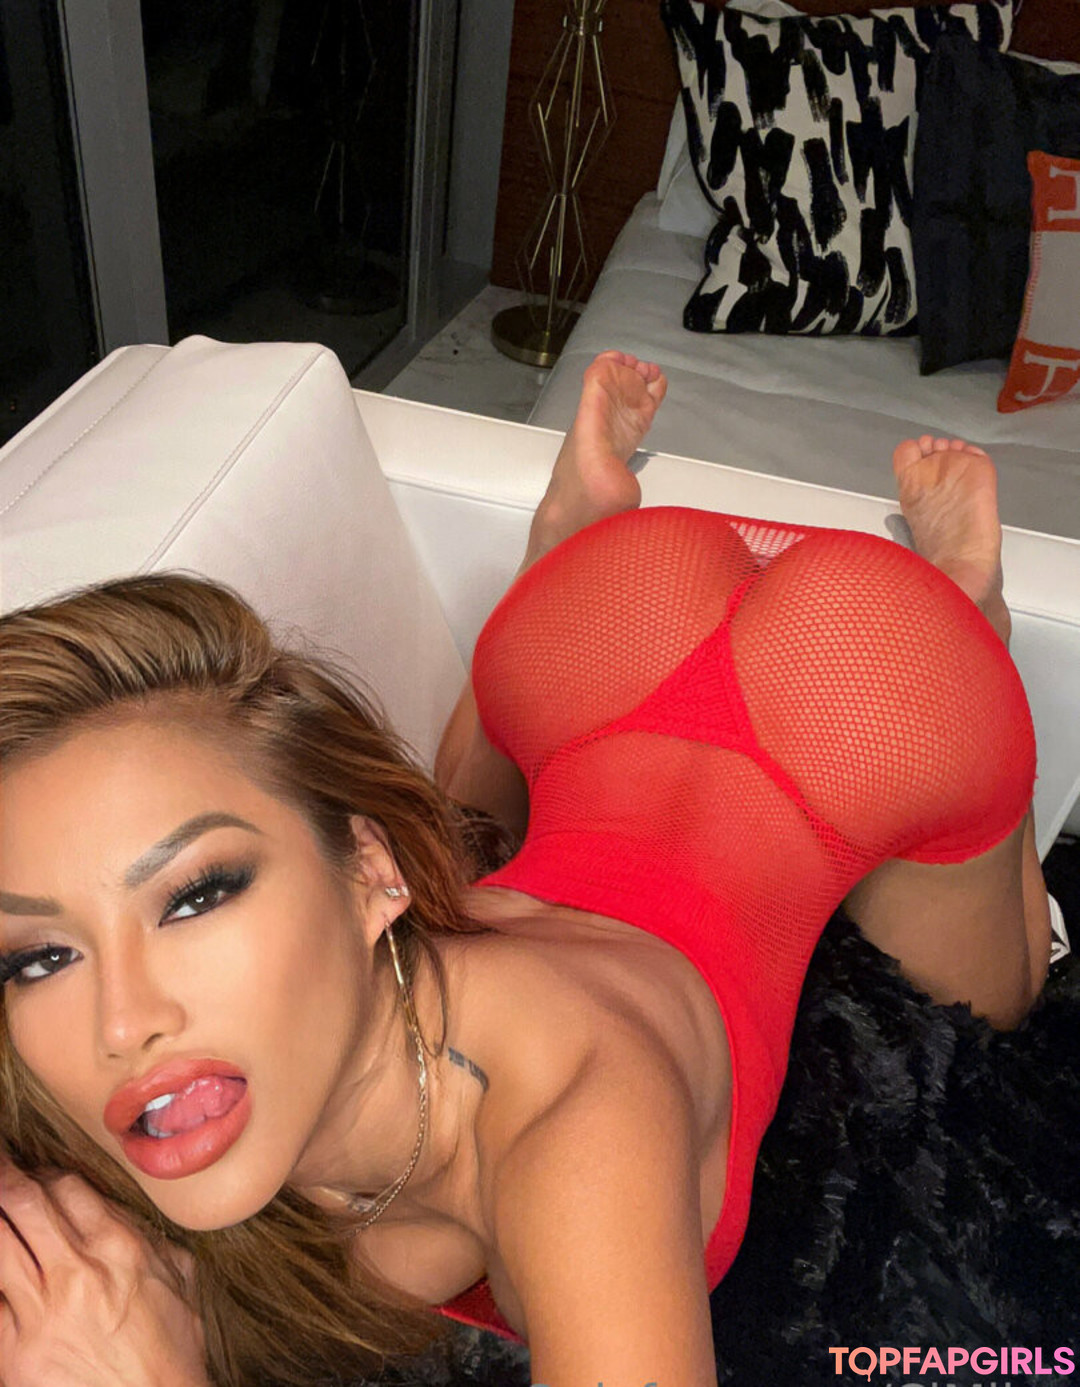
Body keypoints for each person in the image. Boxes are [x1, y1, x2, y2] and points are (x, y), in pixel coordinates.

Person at [0, 351, 1054, 1387]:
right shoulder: (132, 1076)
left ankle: (971, 614)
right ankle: (561, 548)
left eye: (195, 894)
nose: (121, 1024)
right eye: (40, 954)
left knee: (994, 1009)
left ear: (369, 875)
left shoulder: (584, 1131)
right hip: (593, 633)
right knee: (457, 824)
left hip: (871, 700)